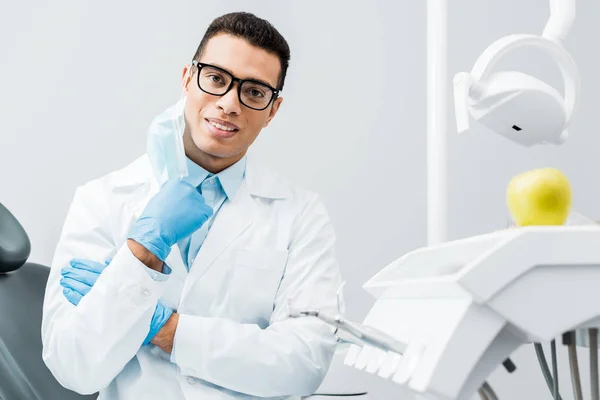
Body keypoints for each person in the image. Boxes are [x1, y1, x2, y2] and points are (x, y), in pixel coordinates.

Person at [41, 11, 344, 400]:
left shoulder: (301, 215)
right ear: (188, 79)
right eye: (216, 79)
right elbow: (74, 367)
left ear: (272, 110)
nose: (229, 104)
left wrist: (162, 328)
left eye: (253, 92)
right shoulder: (101, 200)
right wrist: (142, 249)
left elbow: (303, 364)